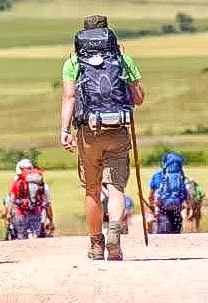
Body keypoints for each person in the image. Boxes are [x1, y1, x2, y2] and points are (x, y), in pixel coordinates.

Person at [60, 15, 145, 260]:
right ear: (108, 33)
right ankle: (115, 230)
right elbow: (138, 98)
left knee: (92, 189)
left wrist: (65, 131)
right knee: (116, 187)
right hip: (117, 130)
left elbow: (69, 98)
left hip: (88, 132)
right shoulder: (122, 59)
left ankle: (97, 245)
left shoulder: (73, 62)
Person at [5, 159, 54, 239]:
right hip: (36, 213)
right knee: (34, 238)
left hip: (20, 214)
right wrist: (51, 221)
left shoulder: (17, 182)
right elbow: (48, 205)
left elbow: (11, 200)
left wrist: (8, 215)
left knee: (21, 238)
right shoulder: (41, 184)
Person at [148, 152, 187, 234]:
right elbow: (185, 195)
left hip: (162, 210)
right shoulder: (181, 176)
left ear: (163, 164)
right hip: (177, 210)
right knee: (176, 233)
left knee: (163, 236)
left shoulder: (157, 176)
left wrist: (152, 208)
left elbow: (151, 195)